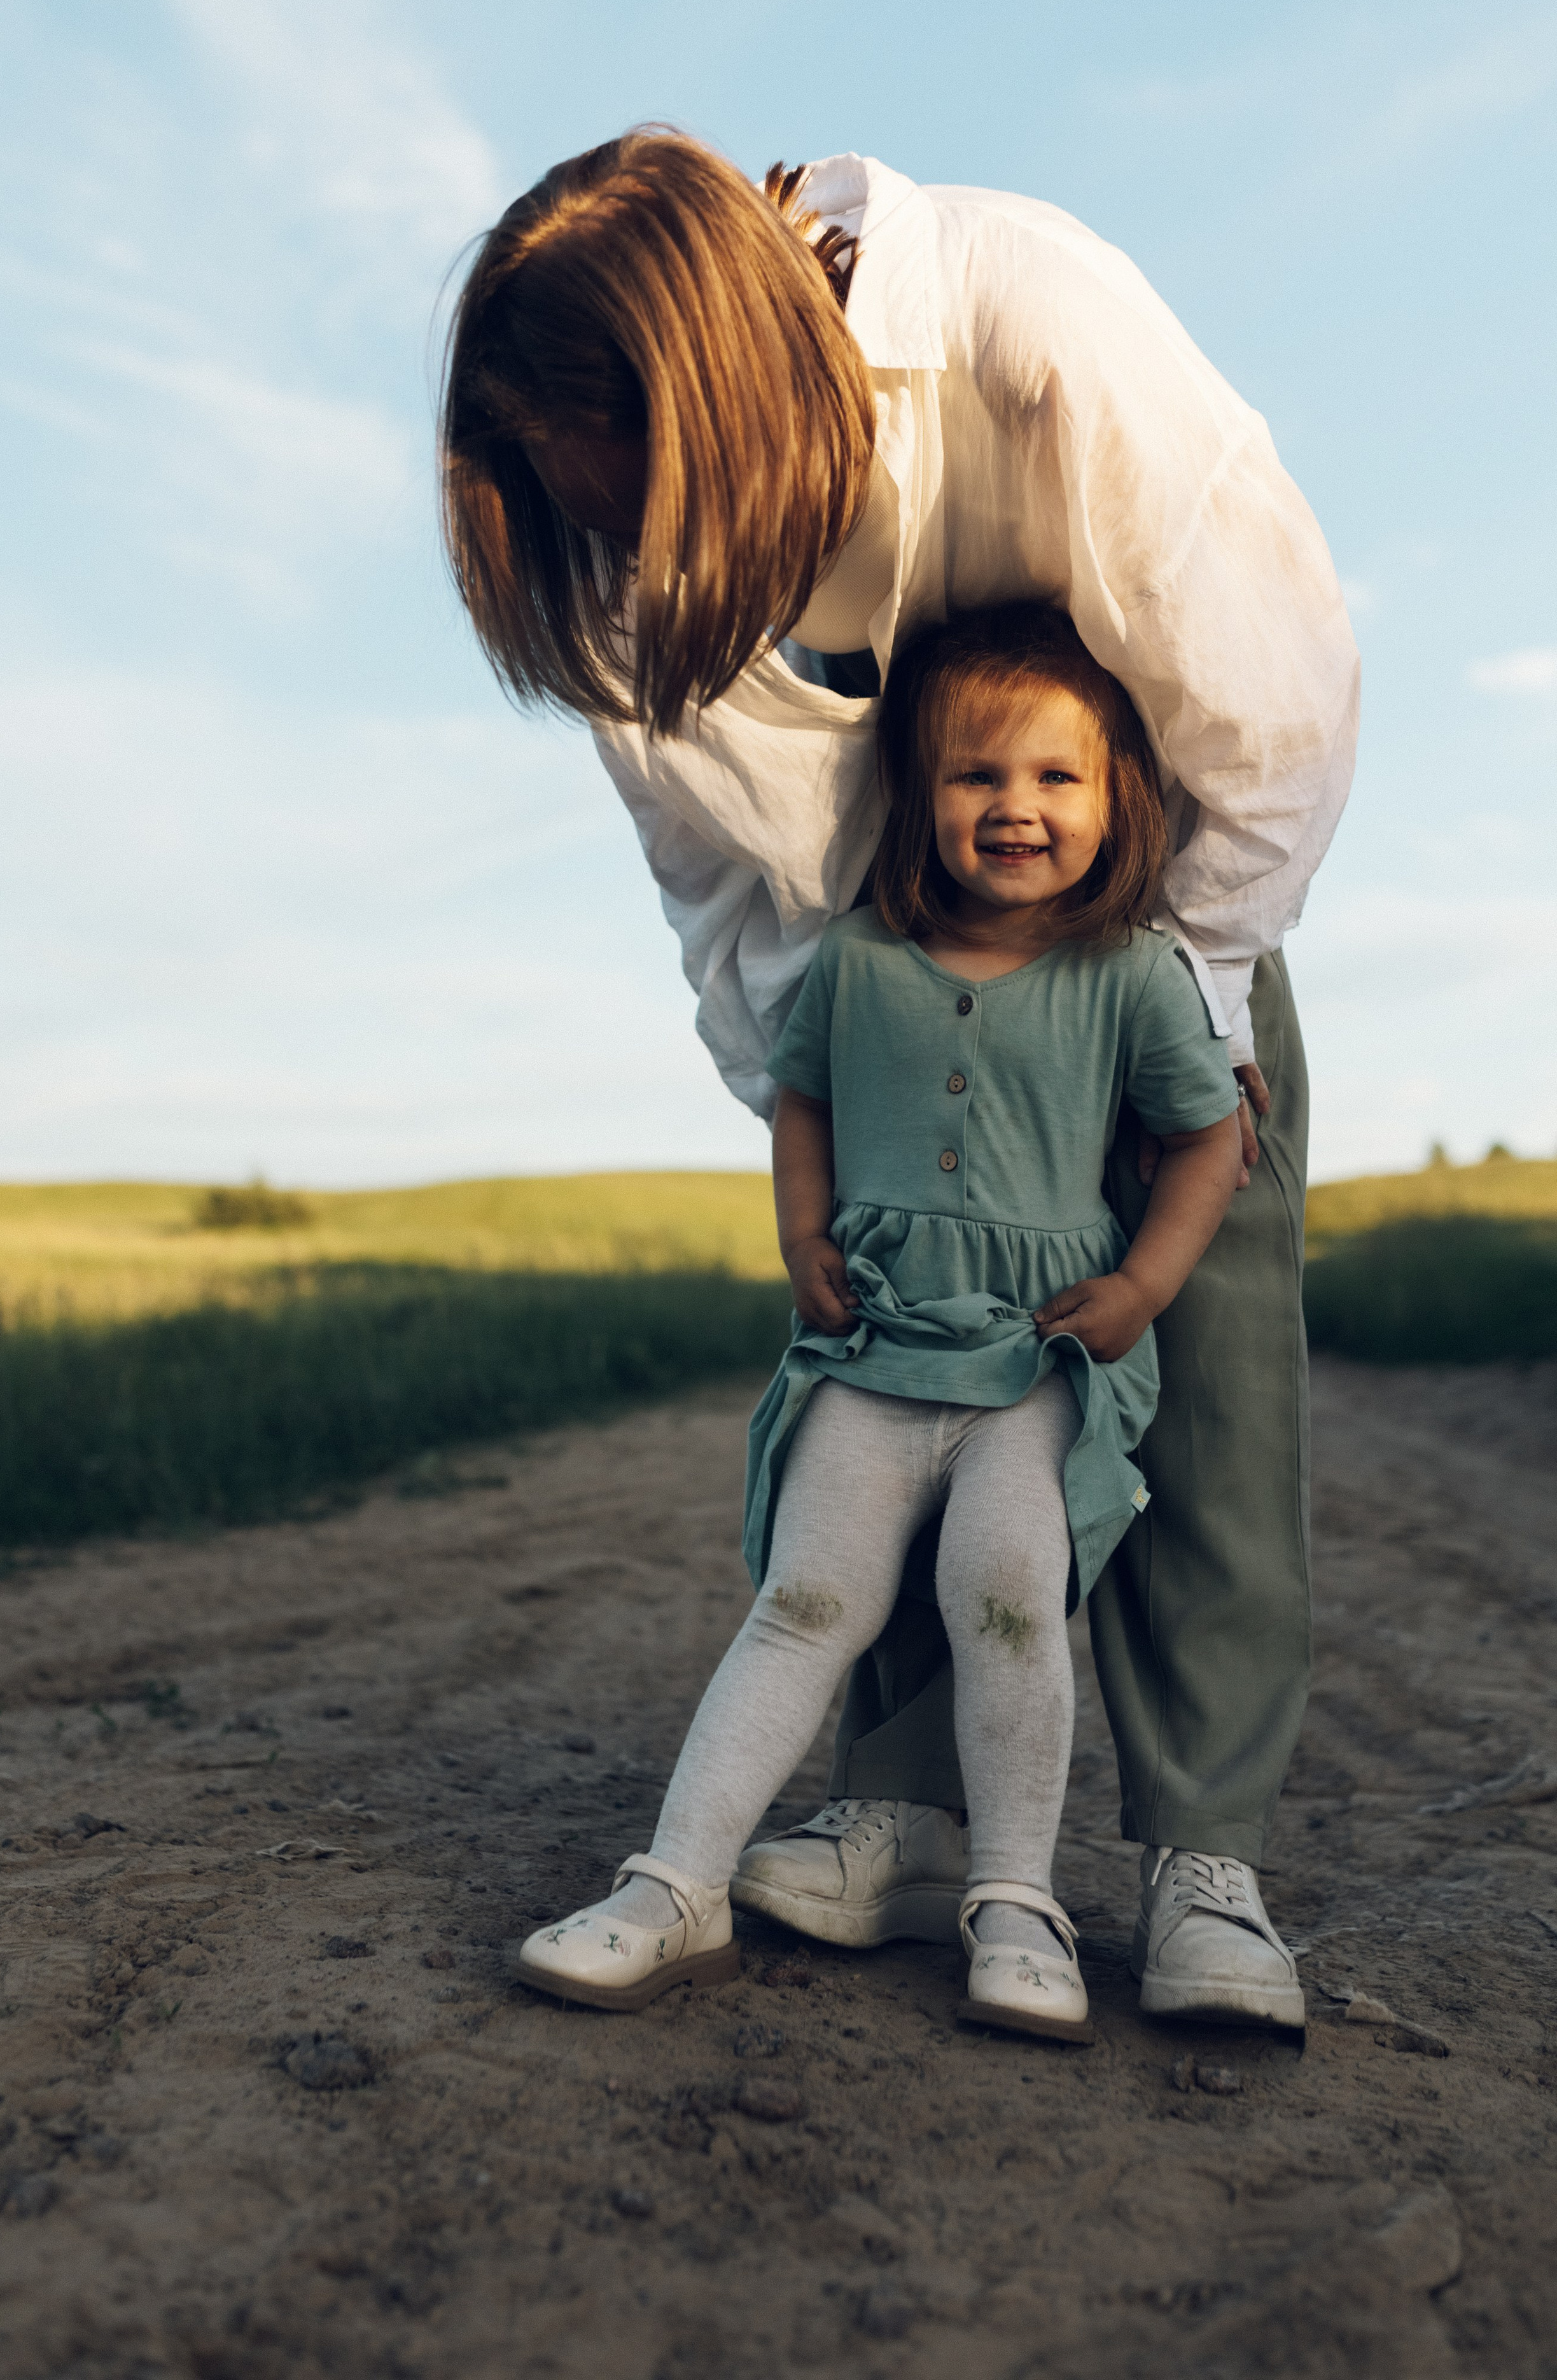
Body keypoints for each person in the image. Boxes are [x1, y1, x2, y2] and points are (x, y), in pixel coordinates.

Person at [439, 130, 1358, 2030]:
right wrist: (842, 1115)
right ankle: (904, 1817)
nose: (638, 569)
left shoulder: (1043, 335)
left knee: (1209, 1388)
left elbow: (1273, 700)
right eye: (592, 527)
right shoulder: (601, 541)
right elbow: (715, 878)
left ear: (735, 396)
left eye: (655, 510)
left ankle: (1203, 1862)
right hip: (894, 970)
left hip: (1161, 924)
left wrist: (1161, 1020)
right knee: (899, 1396)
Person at [517, 605, 1242, 2034]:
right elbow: (804, 1100)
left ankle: (1014, 1900)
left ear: (1115, 800)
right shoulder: (859, 959)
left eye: (1055, 778)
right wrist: (801, 1236)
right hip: (874, 1353)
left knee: (1005, 1601)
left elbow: (1205, 1137)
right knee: (804, 1605)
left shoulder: (1132, 975)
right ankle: (672, 1886)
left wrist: (1144, 1286)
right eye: (978, 777)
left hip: (1032, 1369)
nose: (1016, 807)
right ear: (921, 798)